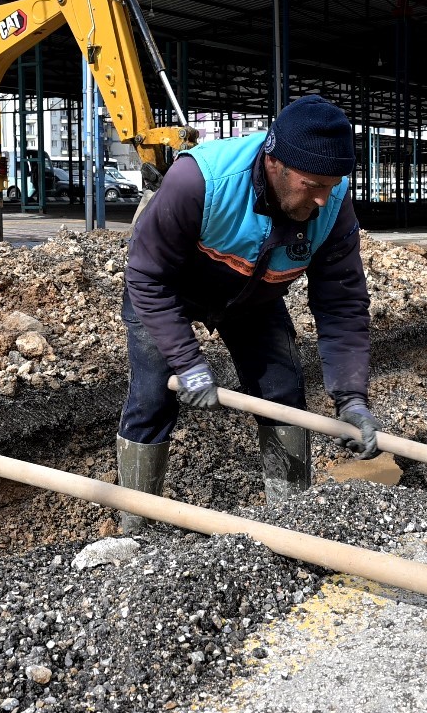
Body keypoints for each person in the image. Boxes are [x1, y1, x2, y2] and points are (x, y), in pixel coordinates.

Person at [116, 95, 383, 533]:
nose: (321, 199)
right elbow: (146, 278)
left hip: (253, 298)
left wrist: (351, 397)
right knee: (152, 395)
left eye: (331, 184)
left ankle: (289, 522)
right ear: (275, 162)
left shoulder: (333, 205)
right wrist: (188, 362)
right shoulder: (199, 181)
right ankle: (135, 528)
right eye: (312, 183)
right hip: (171, 290)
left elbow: (342, 303)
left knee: (282, 392)